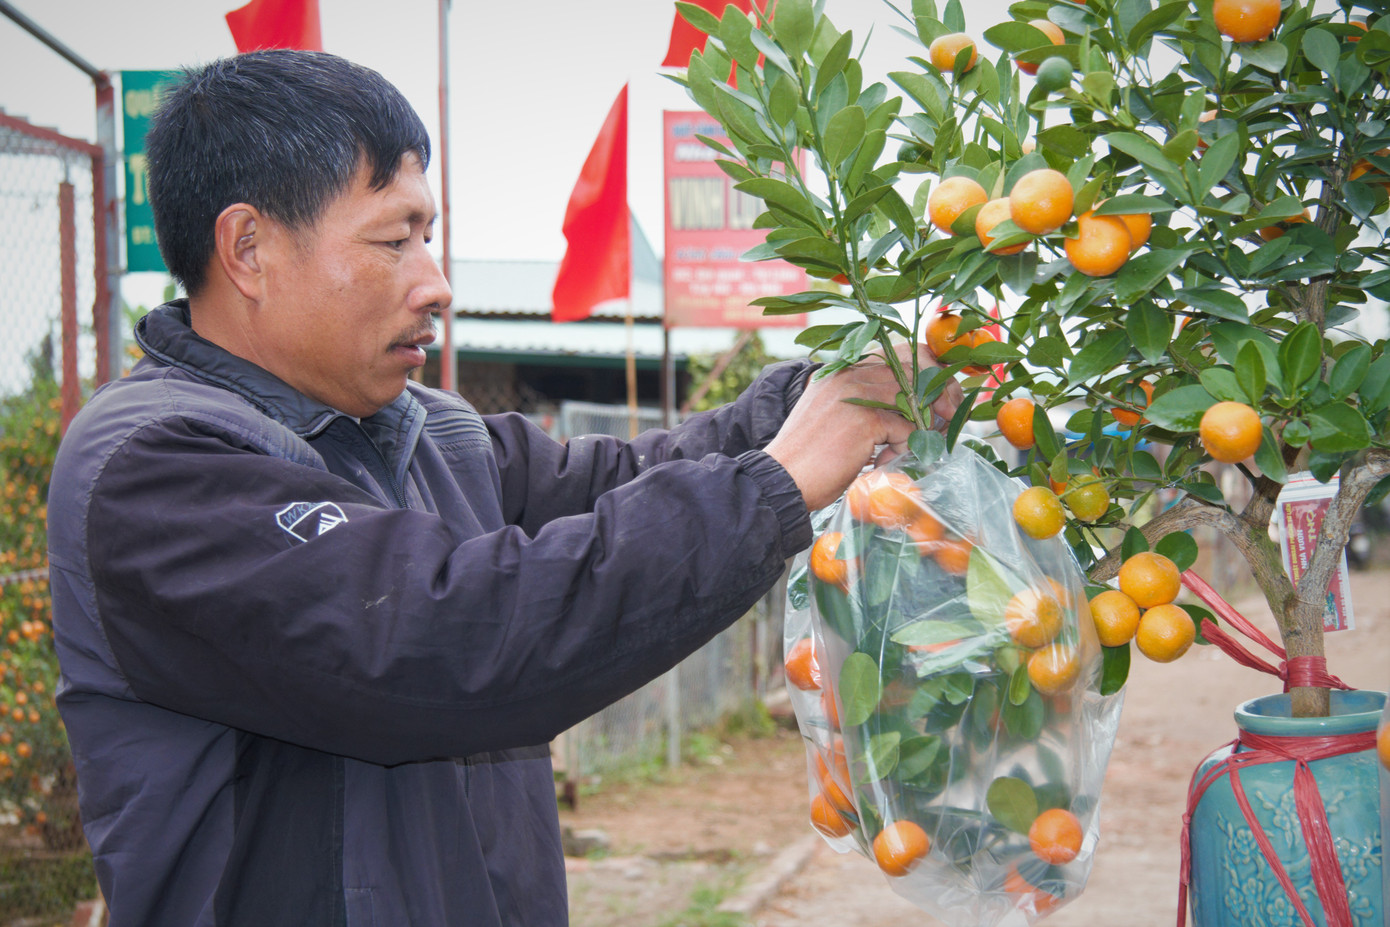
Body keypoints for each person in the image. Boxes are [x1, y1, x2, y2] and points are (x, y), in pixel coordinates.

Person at [47, 50, 960, 925]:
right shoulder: (155, 469)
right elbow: (441, 635)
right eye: (394, 237)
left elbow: (633, 479)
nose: (435, 282)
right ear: (248, 247)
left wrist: (820, 396)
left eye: (429, 236)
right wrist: (779, 483)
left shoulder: (431, 433)